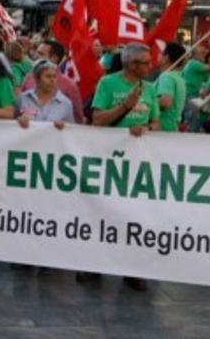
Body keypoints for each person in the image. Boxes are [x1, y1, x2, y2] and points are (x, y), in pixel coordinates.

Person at [82, 43, 160, 292]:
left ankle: (131, 269)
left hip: (138, 163)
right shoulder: (108, 84)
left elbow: (157, 122)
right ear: (130, 64)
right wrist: (125, 107)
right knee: (103, 211)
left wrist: (146, 129)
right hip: (108, 160)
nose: (151, 66)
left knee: (135, 215)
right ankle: (94, 264)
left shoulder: (149, 87)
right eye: (145, 62)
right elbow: (97, 120)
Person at [25, 39, 85, 124]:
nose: (36, 57)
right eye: (37, 53)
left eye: (41, 54)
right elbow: (20, 108)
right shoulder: (29, 79)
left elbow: (77, 119)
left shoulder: (69, 86)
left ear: (54, 59)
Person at [16, 59, 75, 129]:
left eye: (54, 76)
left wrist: (64, 126)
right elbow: (11, 125)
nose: (52, 80)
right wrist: (18, 121)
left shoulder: (66, 103)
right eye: (48, 76)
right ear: (36, 79)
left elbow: (71, 130)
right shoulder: (23, 99)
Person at [155, 42, 187, 132]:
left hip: (162, 128)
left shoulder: (167, 76)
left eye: (160, 53)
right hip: (171, 127)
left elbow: (165, 102)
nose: (158, 55)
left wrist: (144, 102)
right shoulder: (178, 76)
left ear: (166, 58)